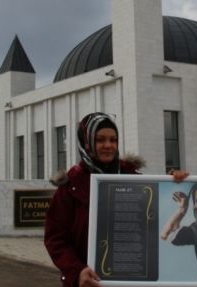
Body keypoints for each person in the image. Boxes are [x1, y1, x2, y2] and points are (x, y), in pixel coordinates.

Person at [44, 112, 188, 287]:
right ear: (87, 141)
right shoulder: (71, 185)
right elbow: (56, 239)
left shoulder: (132, 177)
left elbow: (156, 216)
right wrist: (77, 271)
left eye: (113, 140)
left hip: (132, 280)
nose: (108, 145)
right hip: (89, 283)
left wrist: (176, 184)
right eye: (100, 140)